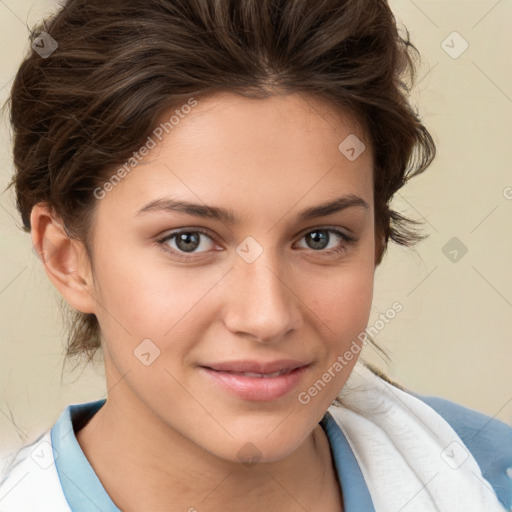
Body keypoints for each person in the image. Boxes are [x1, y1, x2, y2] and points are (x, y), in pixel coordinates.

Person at [0, 0, 511, 511]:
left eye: (320, 238)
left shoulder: (490, 478)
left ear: (376, 238)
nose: (267, 317)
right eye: (189, 240)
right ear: (67, 257)